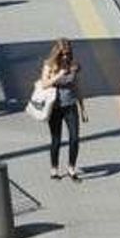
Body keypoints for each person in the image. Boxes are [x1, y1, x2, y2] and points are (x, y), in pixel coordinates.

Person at [40, 38, 87, 180]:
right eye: (63, 54)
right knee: (56, 139)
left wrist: (82, 107)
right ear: (57, 53)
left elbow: (76, 86)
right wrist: (59, 74)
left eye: (68, 54)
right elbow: (44, 84)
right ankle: (54, 169)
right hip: (55, 107)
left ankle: (71, 167)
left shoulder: (73, 65)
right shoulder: (49, 65)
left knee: (74, 138)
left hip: (70, 105)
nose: (65, 57)